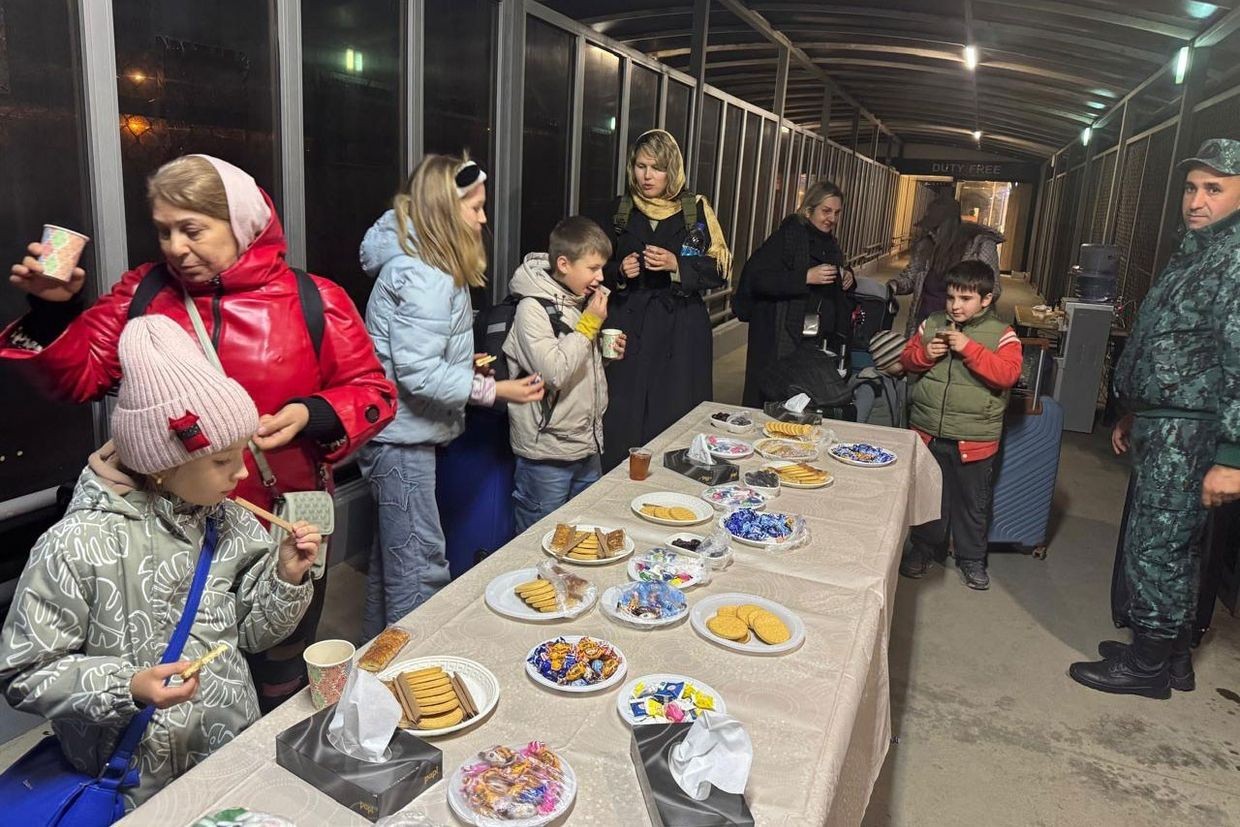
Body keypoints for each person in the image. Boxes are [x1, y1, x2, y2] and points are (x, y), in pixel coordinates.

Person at [2, 154, 394, 712]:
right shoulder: (143, 294)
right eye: (163, 230)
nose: (174, 247)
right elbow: (80, 379)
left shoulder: (314, 300)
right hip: (163, 534)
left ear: (241, 224)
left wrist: (314, 414)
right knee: (182, 678)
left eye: (192, 229)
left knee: (281, 658)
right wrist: (50, 314)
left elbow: (374, 392)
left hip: (279, 518)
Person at [0, 316, 320, 810]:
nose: (240, 474)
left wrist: (285, 576)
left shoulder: (230, 521)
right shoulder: (75, 545)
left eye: (243, 455)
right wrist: (127, 685)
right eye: (222, 460)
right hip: (129, 784)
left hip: (227, 753)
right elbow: (23, 672)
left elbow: (254, 636)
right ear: (162, 464)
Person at [1070, 138, 1240, 699]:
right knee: (1172, 541)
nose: (1197, 200)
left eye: (1214, 188)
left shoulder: (1235, 259)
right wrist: (1134, 413)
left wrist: (1233, 458)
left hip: (1192, 431)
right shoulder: (1197, 251)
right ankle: (1169, 657)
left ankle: (1146, 668)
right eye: (1192, 187)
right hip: (1165, 423)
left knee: (1159, 545)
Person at [359, 154, 545, 637]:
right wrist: (493, 388)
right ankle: (415, 683)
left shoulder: (420, 264)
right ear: (444, 210)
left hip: (397, 435)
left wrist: (462, 369)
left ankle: (378, 672)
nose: (484, 219)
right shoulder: (426, 277)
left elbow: (415, 358)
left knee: (393, 565)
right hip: (400, 441)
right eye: (475, 207)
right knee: (418, 570)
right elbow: (418, 373)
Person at [597, 129, 731, 470]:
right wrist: (618, 271)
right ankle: (617, 481)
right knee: (622, 412)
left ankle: (672, 479)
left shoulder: (695, 210)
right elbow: (589, 264)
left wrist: (677, 266)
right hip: (629, 325)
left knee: (675, 409)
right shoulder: (619, 209)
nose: (646, 176)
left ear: (672, 170)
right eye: (640, 166)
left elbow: (720, 268)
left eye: (656, 168)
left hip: (680, 327)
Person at [897, 260, 1022, 590]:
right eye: (951, 297)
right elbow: (906, 361)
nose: (955, 305)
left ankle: (971, 560)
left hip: (975, 437)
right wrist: (926, 353)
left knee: (972, 504)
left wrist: (969, 348)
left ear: (985, 299)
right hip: (928, 431)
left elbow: (1008, 375)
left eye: (965, 299)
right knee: (928, 499)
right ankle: (924, 549)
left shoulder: (1002, 334)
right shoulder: (933, 323)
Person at [504, 216, 627, 532]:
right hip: (547, 456)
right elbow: (554, 372)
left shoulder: (575, 301)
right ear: (564, 263)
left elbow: (575, 366)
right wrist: (589, 324)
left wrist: (605, 357)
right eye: (593, 268)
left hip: (586, 446)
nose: (601, 277)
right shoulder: (531, 309)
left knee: (585, 537)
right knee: (537, 543)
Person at [734, 180, 856, 407]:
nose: (832, 219)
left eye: (837, 213)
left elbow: (834, 275)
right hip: (779, 336)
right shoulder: (787, 237)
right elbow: (757, 279)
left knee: (802, 398)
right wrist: (805, 277)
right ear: (809, 210)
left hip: (812, 337)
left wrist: (847, 276)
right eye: (826, 211)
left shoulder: (830, 243)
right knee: (775, 396)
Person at [889, 190, 1004, 338]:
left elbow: (993, 289)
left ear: (948, 225)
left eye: (935, 227)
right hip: (925, 322)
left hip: (963, 328)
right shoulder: (926, 246)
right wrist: (894, 285)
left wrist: (964, 303)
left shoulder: (980, 246)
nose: (930, 231)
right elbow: (910, 277)